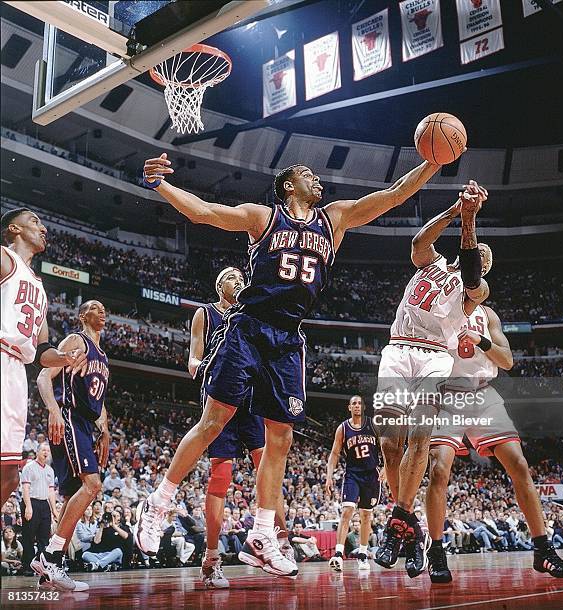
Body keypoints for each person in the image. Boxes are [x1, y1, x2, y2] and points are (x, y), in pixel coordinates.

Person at [135, 147, 448, 579]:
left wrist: (432, 163)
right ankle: (159, 501)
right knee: (215, 420)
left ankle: (263, 534)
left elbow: (393, 194)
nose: (317, 180)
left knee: (280, 437)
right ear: (288, 185)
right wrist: (161, 185)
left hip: (288, 338)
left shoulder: (334, 218)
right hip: (249, 327)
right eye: (308, 174)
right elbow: (205, 212)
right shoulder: (263, 218)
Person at [374, 181, 490, 578]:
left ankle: (397, 522)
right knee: (390, 444)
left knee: (420, 435)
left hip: (435, 357)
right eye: (481, 255)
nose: (482, 260)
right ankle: (409, 527)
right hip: (398, 347)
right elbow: (419, 242)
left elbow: (472, 272)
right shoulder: (432, 263)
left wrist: (470, 221)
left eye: (484, 258)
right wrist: (454, 211)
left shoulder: (476, 289)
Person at [423, 304, 563, 581]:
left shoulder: (488, 314)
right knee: (438, 470)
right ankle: (435, 552)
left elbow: (507, 361)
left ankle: (543, 550)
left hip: (482, 392)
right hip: (446, 395)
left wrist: (480, 340)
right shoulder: (438, 311)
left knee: (519, 464)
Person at [184, 267, 292, 588]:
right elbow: (193, 361)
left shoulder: (250, 315)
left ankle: (280, 540)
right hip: (221, 397)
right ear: (220, 286)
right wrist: (211, 371)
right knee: (222, 475)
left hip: (250, 399)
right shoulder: (206, 314)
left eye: (241, 278)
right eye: (232, 277)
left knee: (268, 466)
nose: (239, 281)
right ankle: (212, 558)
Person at [1, 208, 87, 507]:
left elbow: (42, 352)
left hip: (17, 373)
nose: (43, 228)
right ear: (14, 229)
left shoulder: (39, 286)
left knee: (9, 476)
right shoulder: (4, 258)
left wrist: (65, 357)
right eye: (34, 221)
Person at [30, 300, 110, 592]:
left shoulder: (102, 355)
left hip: (87, 425)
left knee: (71, 498)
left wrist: (107, 431)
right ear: (82, 315)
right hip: (70, 418)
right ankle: (51, 556)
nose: (102, 311)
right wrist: (53, 410)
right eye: (95, 307)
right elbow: (42, 376)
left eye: (104, 309)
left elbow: (100, 403)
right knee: (92, 486)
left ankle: (48, 567)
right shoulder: (77, 340)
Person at [326, 395, 382, 572]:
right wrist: (329, 476)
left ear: (363, 407)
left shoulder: (373, 425)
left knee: (366, 515)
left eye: (359, 403)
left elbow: (386, 448)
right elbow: (334, 453)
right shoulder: (343, 428)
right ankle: (338, 554)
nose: (357, 406)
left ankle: (363, 554)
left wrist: (387, 468)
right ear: (349, 408)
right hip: (353, 475)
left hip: (372, 475)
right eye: (354, 404)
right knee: (347, 511)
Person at [19, 443, 58, 577]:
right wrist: (28, 507)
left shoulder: (50, 470)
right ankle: (27, 566)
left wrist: (54, 510)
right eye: (43, 450)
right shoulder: (29, 467)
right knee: (29, 537)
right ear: (37, 452)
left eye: (48, 450)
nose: (46, 452)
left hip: (44, 504)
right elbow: (25, 489)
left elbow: (51, 491)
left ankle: (41, 566)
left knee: (44, 538)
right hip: (31, 502)